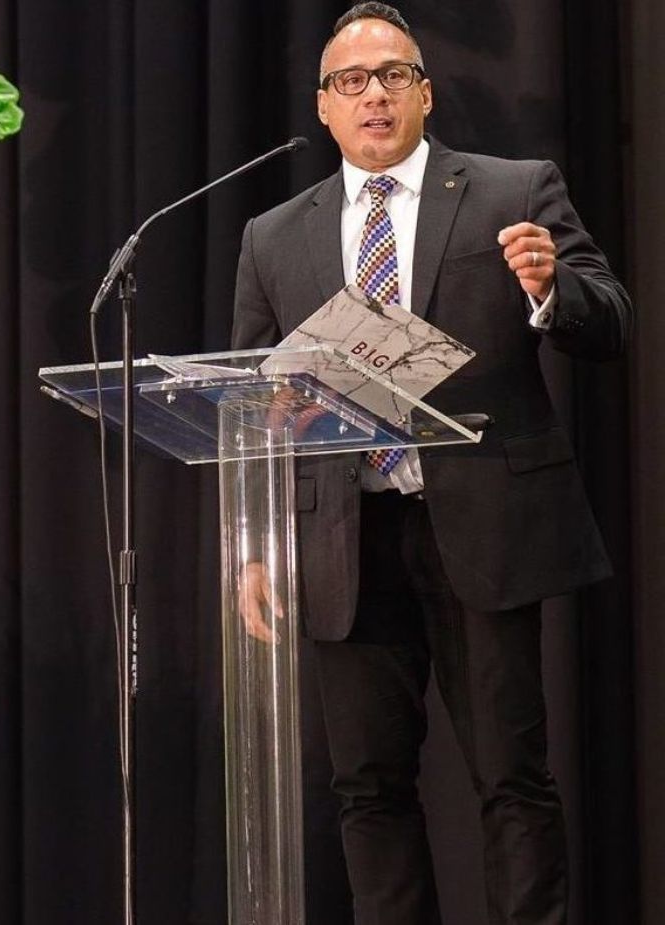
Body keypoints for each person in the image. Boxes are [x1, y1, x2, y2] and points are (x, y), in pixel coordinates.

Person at [231, 3, 632, 923]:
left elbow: (610, 318)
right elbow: (253, 408)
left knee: (511, 779)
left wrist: (549, 290)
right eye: (350, 82)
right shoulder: (273, 235)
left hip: (482, 526)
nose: (373, 94)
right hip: (343, 537)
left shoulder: (510, 190)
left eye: (393, 75)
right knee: (368, 788)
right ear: (324, 107)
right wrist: (256, 545)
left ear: (426, 93)